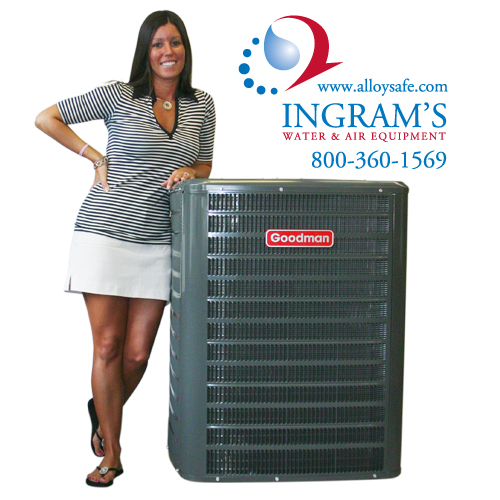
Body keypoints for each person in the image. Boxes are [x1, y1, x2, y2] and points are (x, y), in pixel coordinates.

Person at [35, 10, 215, 487]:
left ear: (185, 48)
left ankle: (100, 410)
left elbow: (205, 165)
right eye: (158, 44)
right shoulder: (119, 94)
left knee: (136, 356)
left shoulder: (202, 104)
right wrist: (95, 156)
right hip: (105, 233)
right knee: (108, 346)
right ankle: (112, 455)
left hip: (160, 240)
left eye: (175, 42)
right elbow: (46, 118)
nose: (168, 52)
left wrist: (190, 172)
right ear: (145, 51)